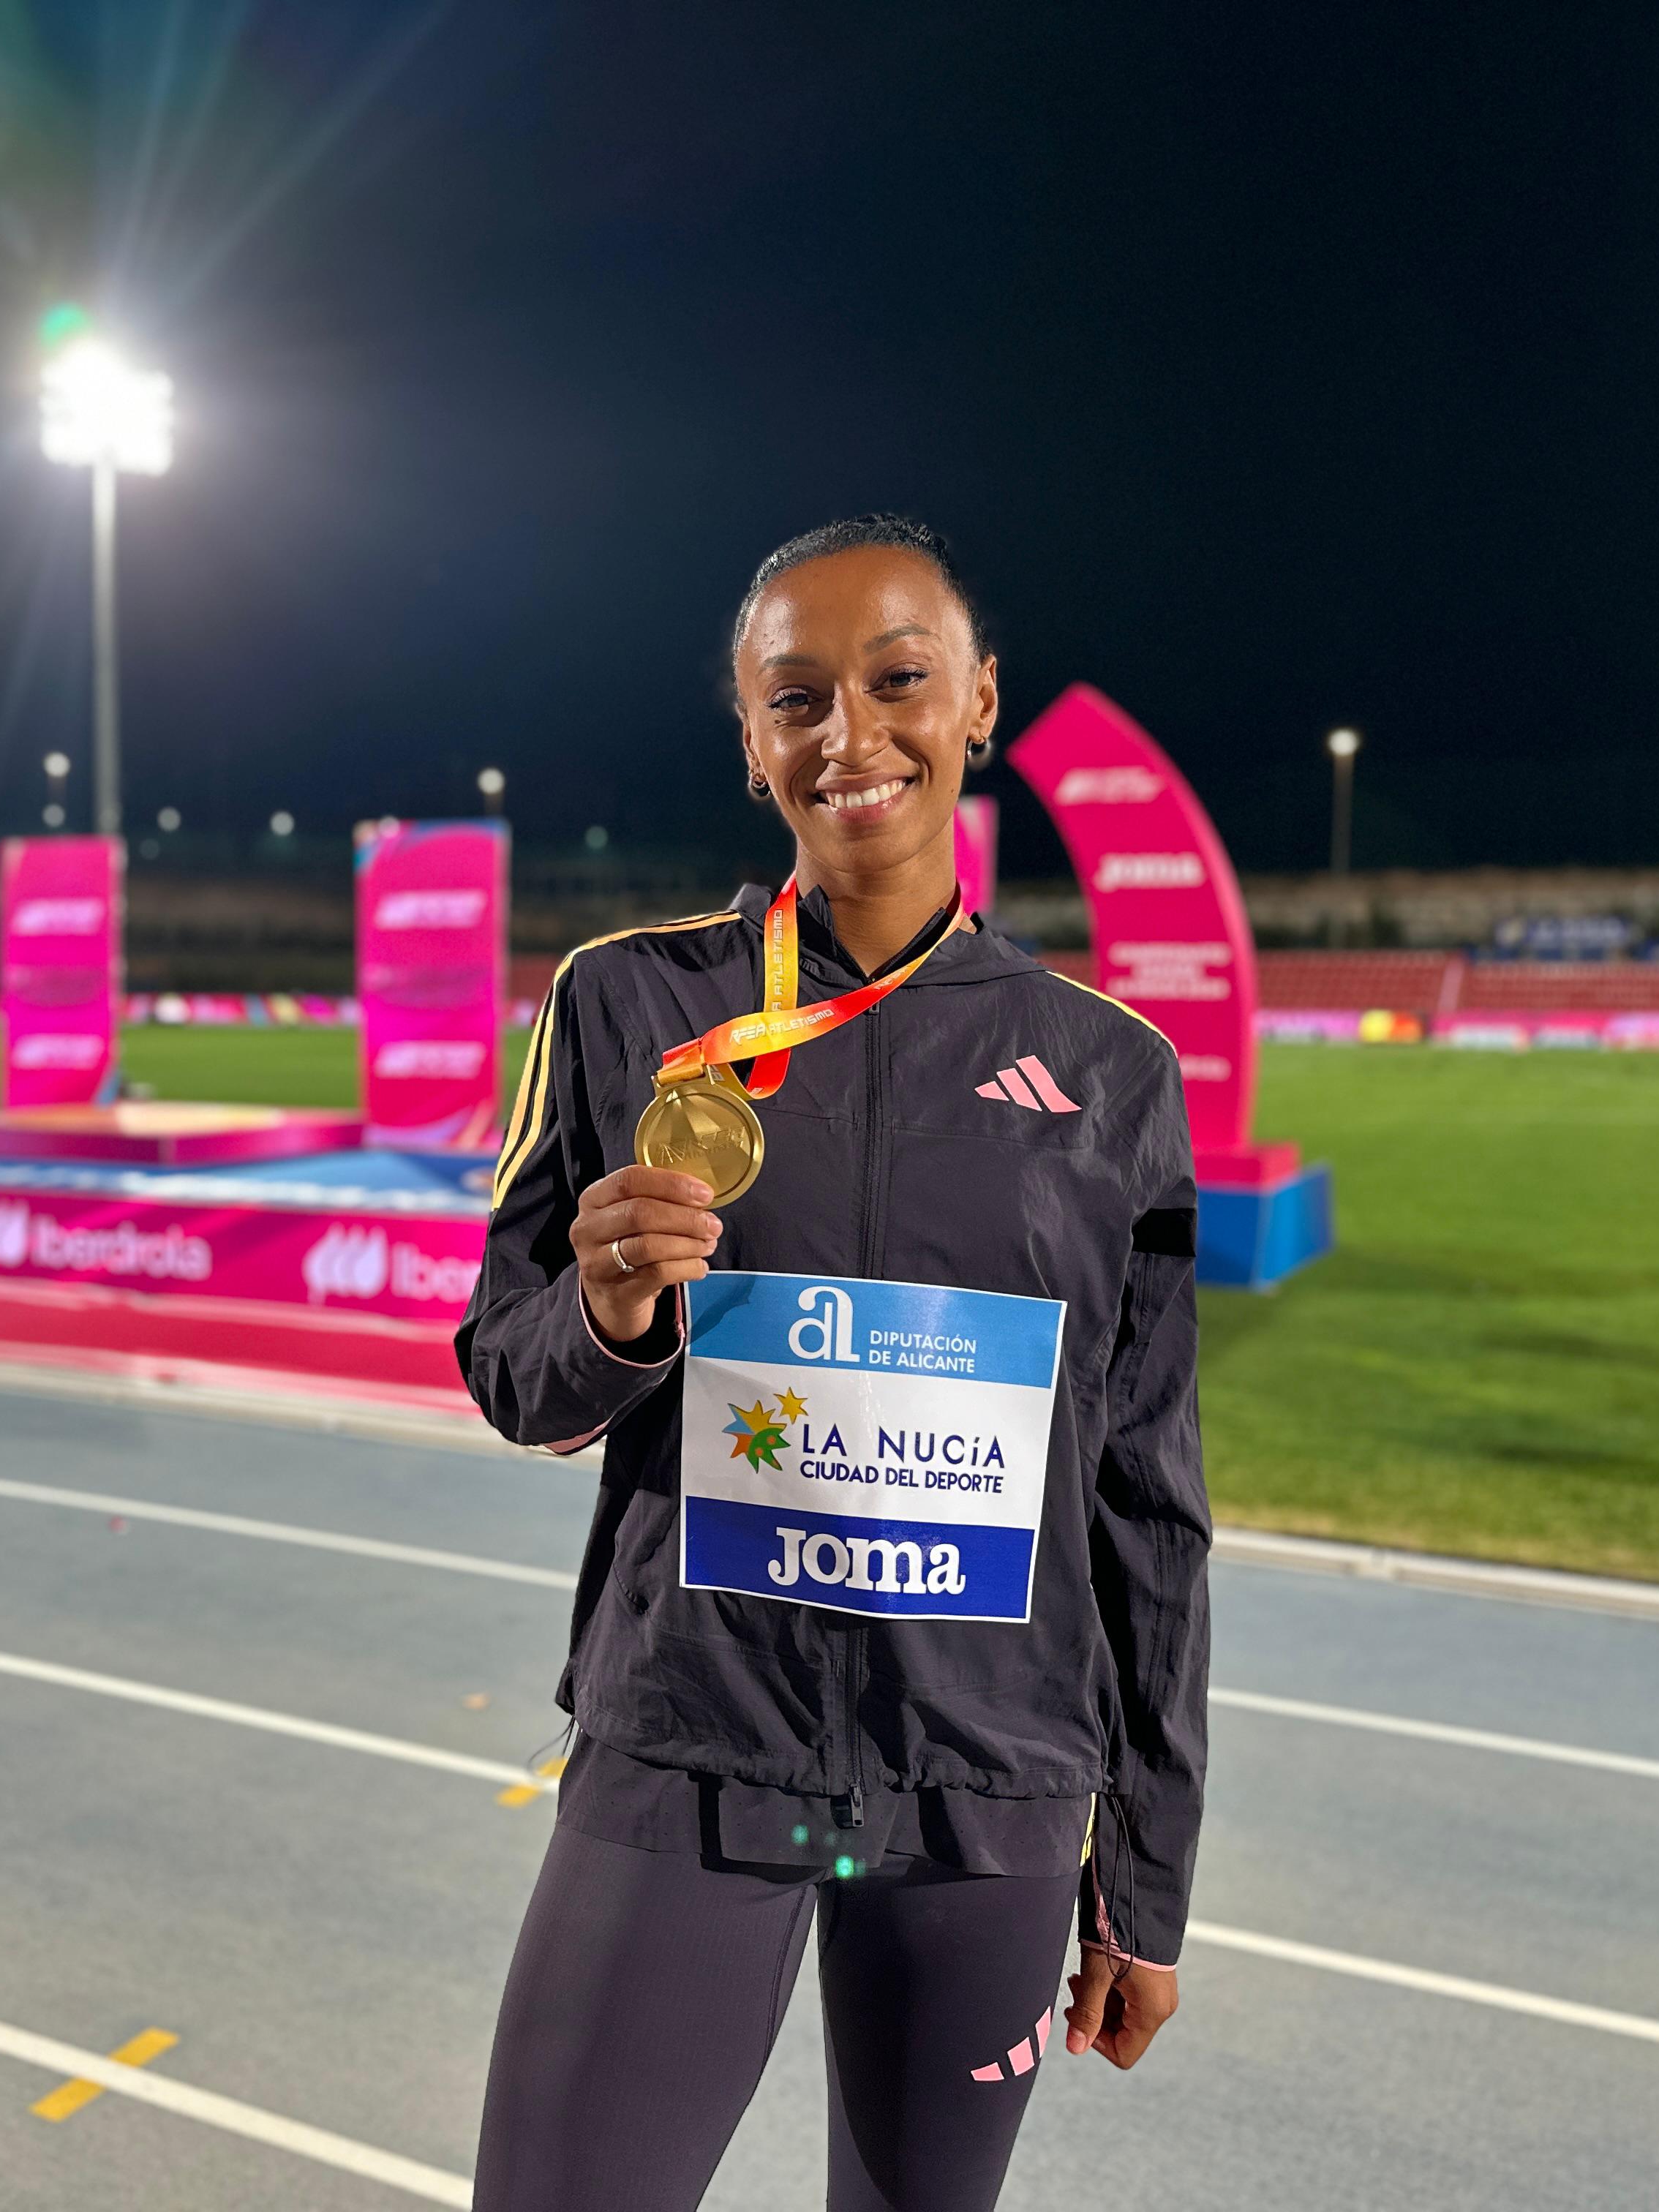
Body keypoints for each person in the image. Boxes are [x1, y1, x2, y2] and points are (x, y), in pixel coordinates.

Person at [456, 514, 1208, 2212]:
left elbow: (1148, 1505)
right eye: (798, 698)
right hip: (693, 1750)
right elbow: (513, 1374)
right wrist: (611, 1318)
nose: (850, 738)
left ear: (979, 702)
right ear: (749, 736)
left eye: (898, 683)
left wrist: (1145, 1874)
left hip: (988, 1795)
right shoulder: (628, 1008)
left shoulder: (1114, 1071)